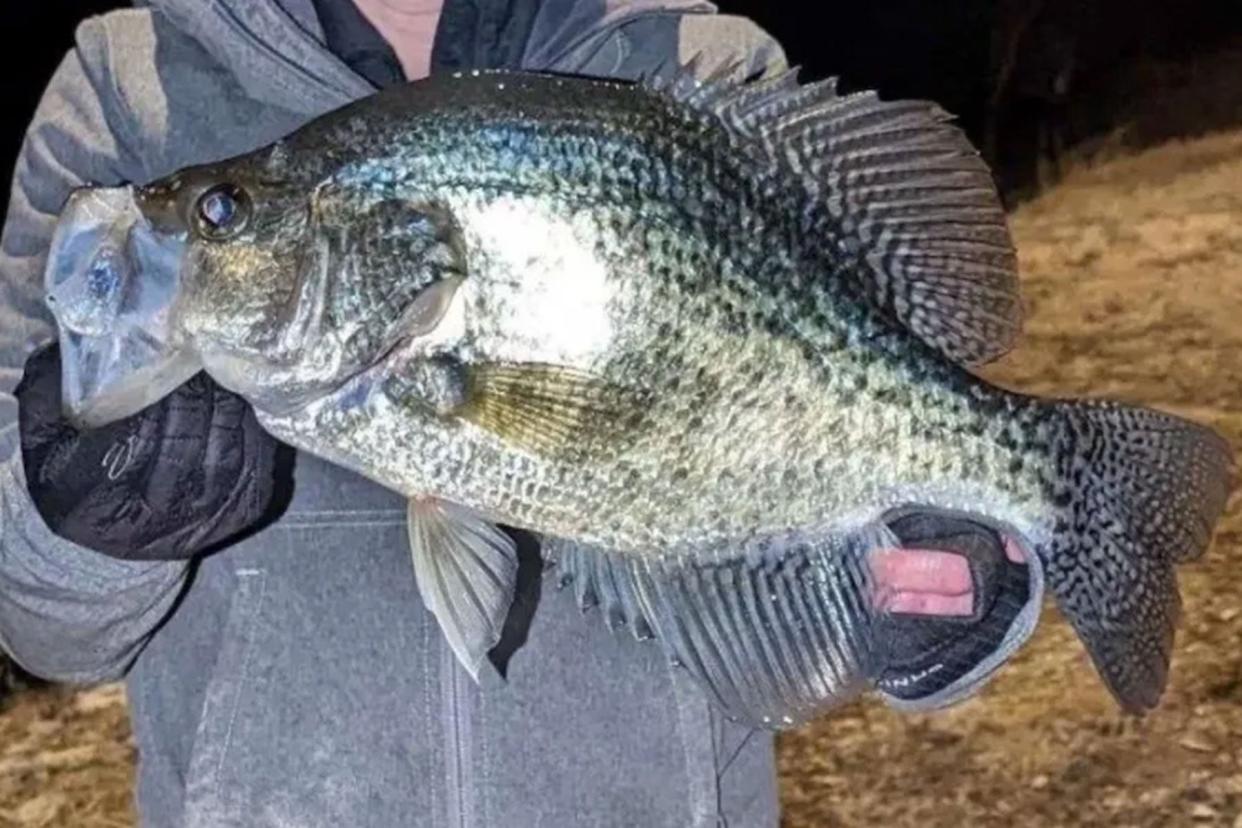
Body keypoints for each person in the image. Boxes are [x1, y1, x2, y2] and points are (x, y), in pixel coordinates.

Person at [0, 2, 1024, 826]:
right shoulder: (122, 90)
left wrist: (933, 574)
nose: (194, 227)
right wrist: (76, 513)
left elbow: (841, 493)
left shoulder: (698, 57)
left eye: (226, 214)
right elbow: (40, 624)